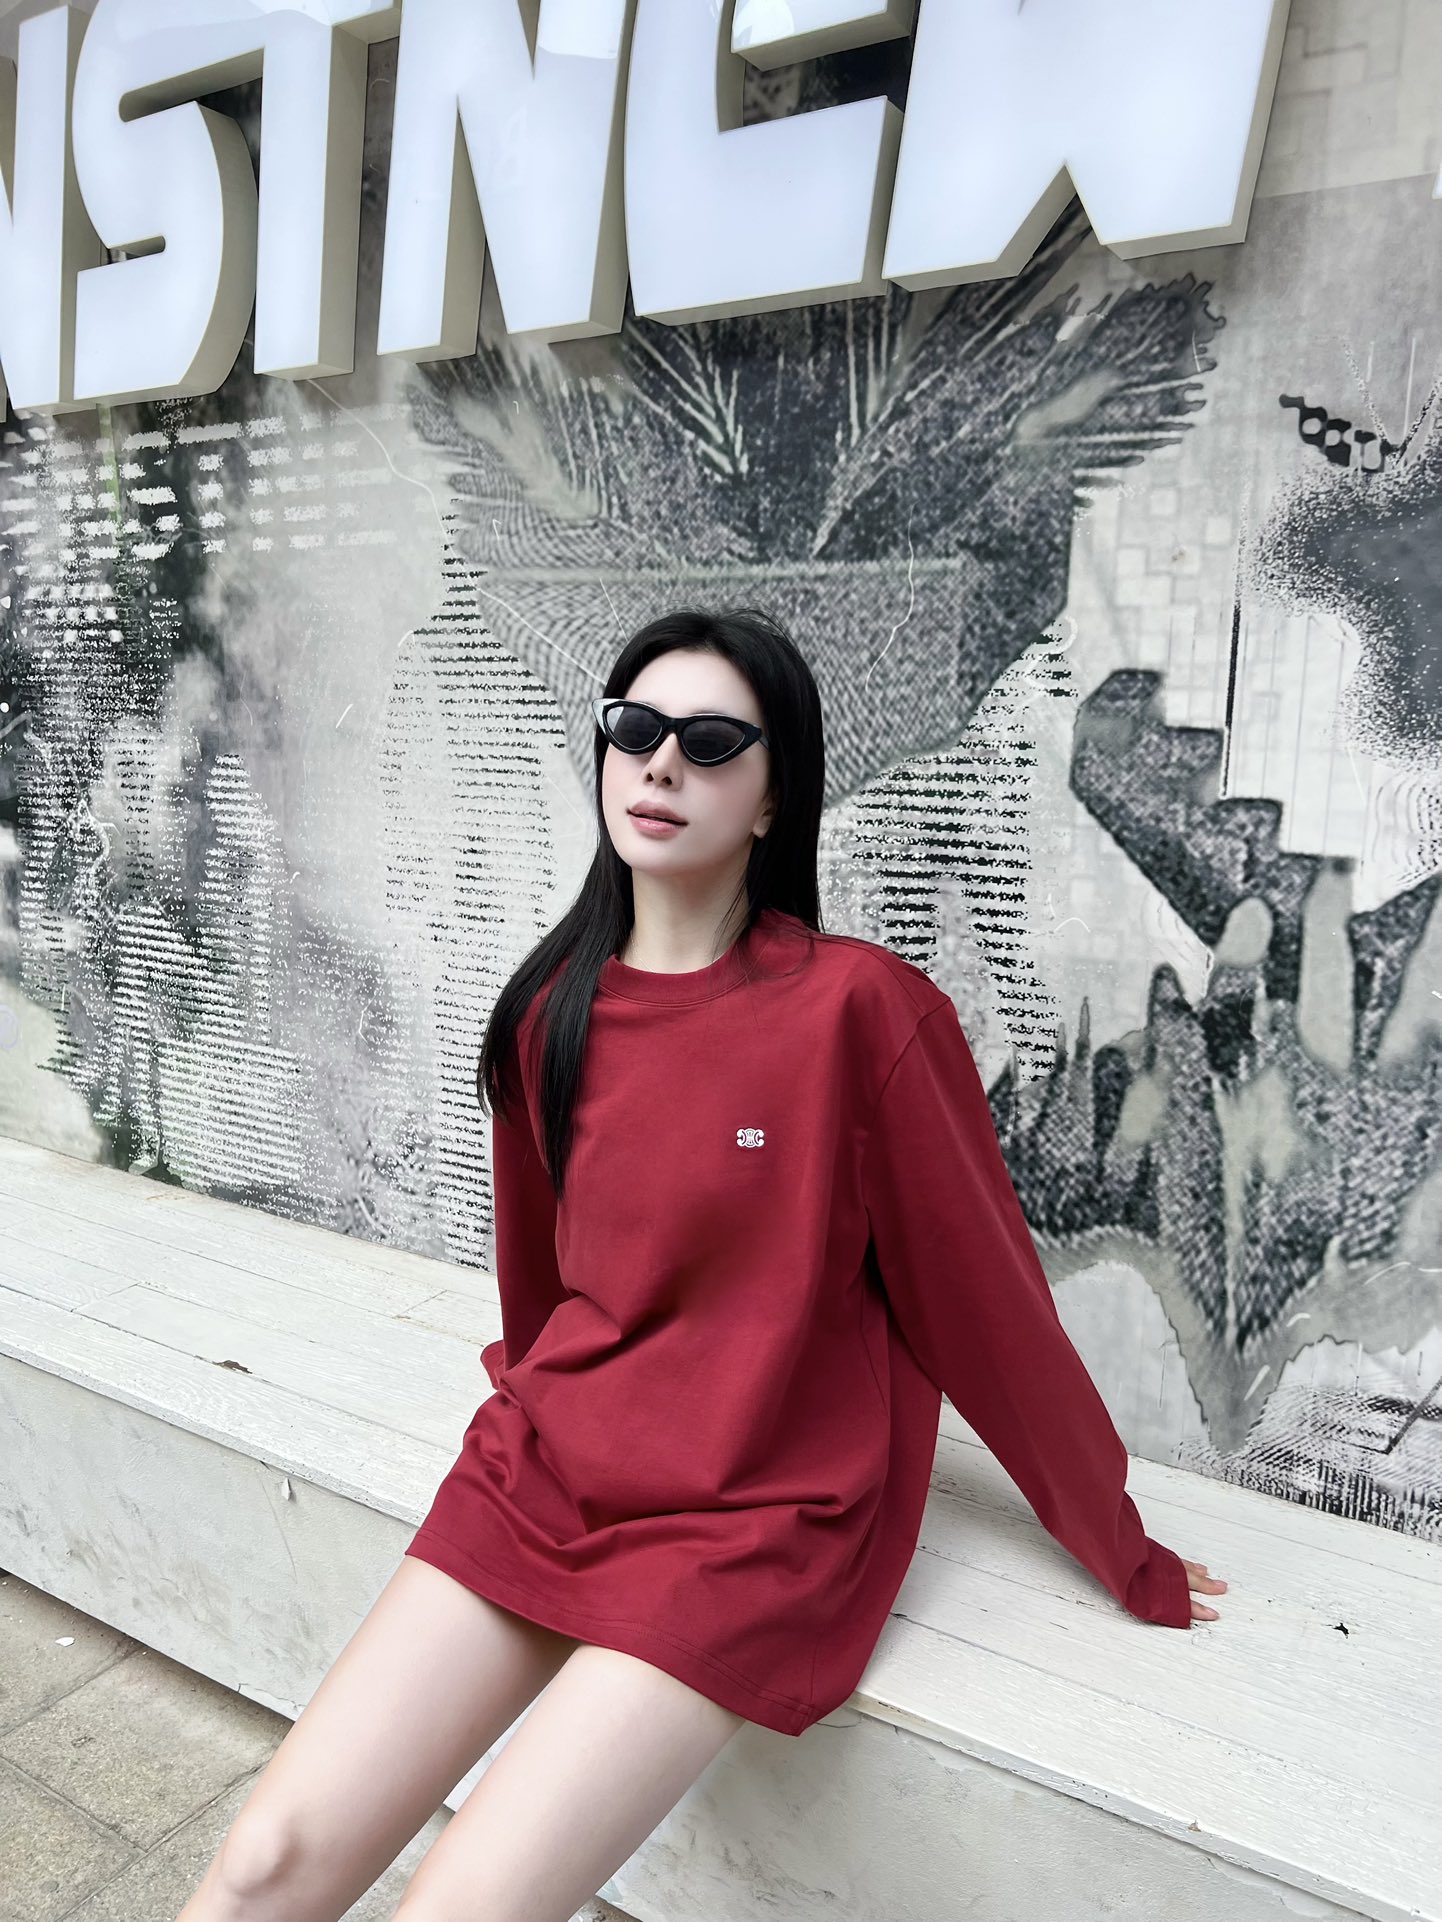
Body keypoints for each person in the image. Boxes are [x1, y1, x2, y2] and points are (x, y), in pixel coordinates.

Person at [177, 607, 1226, 1922]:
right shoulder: (545, 1015)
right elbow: (543, 1298)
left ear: (774, 795)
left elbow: (987, 1315)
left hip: (745, 1524)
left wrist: (1113, 1536)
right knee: (264, 1861)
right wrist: (546, 1426)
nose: (661, 762)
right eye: (634, 729)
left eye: (712, 741)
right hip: (547, 1475)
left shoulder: (860, 1013)